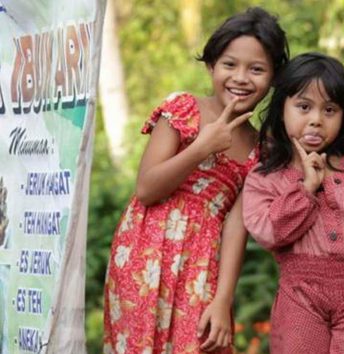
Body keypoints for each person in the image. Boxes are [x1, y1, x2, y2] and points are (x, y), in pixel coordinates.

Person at [103, 7, 289, 354]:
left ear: (274, 77)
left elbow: (237, 224)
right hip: (145, 249)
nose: (241, 78)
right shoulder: (184, 108)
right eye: (229, 64)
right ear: (211, 66)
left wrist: (223, 300)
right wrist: (201, 147)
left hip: (204, 260)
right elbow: (146, 189)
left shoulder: (261, 149)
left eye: (257, 69)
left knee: (202, 344)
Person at [242, 52, 344, 354]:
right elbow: (268, 232)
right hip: (299, 295)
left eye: (329, 109)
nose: (316, 120)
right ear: (282, 108)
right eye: (304, 107)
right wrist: (306, 188)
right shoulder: (264, 177)